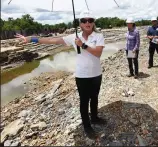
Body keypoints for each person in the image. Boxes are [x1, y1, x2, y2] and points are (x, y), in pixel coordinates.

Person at [15, 10, 106, 138]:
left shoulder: (98, 36)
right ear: (80, 23)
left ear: (93, 22)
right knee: (84, 101)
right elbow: (52, 40)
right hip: (82, 76)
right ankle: (87, 126)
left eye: (90, 20)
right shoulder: (74, 37)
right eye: (84, 20)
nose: (88, 23)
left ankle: (95, 117)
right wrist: (30, 38)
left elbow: (98, 53)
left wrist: (83, 45)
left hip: (96, 74)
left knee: (95, 97)